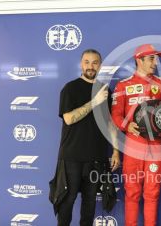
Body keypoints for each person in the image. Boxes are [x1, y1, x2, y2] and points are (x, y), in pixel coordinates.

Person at [54, 49, 120, 226]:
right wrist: (94, 102)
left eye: (95, 62)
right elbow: (69, 118)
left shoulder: (105, 91)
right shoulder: (70, 88)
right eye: (87, 62)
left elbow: (110, 124)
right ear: (81, 64)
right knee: (67, 201)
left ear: (100, 65)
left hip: (96, 158)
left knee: (90, 203)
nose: (91, 66)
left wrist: (115, 151)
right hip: (72, 157)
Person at [111, 44, 161, 226]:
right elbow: (115, 115)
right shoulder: (123, 85)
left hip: (156, 146)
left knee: (152, 193)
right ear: (139, 60)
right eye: (152, 58)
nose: (156, 62)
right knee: (131, 192)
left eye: (156, 58)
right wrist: (127, 126)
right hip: (133, 146)